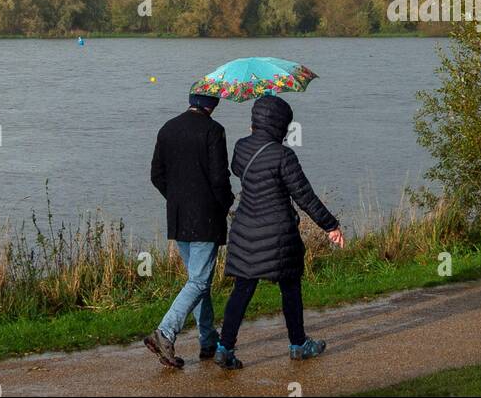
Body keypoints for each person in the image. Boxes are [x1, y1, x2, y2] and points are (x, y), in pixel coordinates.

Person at [215, 93, 344, 369]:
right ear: (282, 126)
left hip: (244, 230)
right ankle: (298, 344)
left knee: (242, 289)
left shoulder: (241, 148)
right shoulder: (284, 156)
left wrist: (254, 139)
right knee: (290, 287)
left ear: (255, 121)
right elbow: (304, 196)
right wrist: (330, 225)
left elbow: (238, 169)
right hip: (278, 235)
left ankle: (224, 347)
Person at [145, 92, 234, 368]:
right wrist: (227, 203)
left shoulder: (168, 128)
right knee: (198, 282)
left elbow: (156, 174)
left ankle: (208, 340)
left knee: (198, 282)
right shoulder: (214, 131)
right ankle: (165, 332)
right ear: (213, 105)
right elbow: (220, 178)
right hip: (206, 217)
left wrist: (176, 199)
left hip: (179, 216)